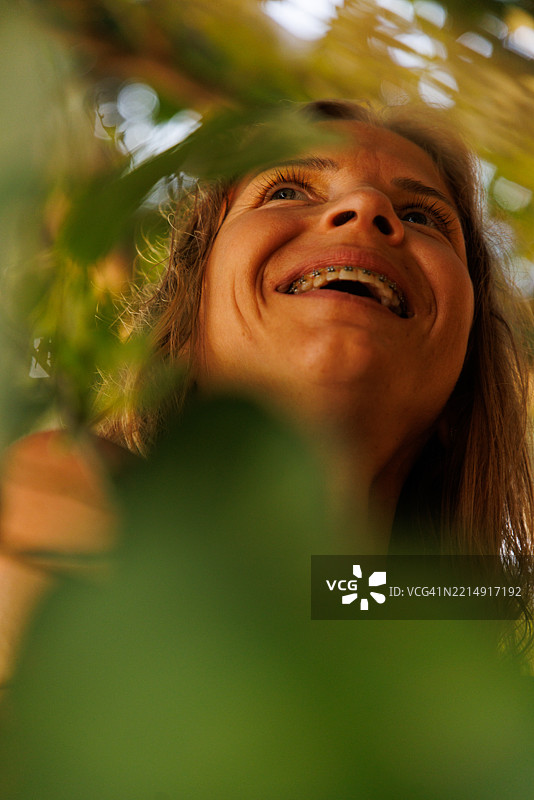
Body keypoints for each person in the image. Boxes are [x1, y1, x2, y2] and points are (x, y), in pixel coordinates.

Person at [1, 99, 533, 687]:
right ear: (187, 326)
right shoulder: (62, 506)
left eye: (424, 216)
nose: (367, 207)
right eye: (286, 191)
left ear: (464, 381)